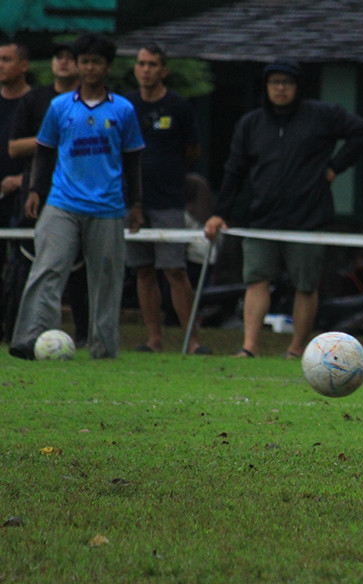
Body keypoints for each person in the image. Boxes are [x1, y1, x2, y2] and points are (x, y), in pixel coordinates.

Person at [204, 59, 363, 359]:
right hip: (262, 216)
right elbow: (234, 169)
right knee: (256, 279)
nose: (280, 88)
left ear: (298, 87)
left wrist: (335, 167)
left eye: (287, 82)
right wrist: (221, 211)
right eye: (274, 82)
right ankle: (249, 346)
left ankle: (296, 350)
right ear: (266, 87)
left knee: (305, 284)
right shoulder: (251, 123)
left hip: (308, 216)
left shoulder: (322, 115)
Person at [8, 33, 145, 360]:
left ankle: (103, 348)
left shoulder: (124, 109)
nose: (89, 67)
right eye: (85, 61)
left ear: (107, 66)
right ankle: (31, 339)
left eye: (96, 62)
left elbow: (133, 159)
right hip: (62, 201)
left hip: (108, 206)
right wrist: (35, 190)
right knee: (48, 268)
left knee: (106, 280)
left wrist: (136, 203)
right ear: (79, 66)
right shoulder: (60, 106)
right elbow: (44, 151)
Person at [124, 44, 208, 355]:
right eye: (141, 63)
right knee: (143, 270)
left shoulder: (179, 106)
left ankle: (192, 341)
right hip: (130, 200)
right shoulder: (124, 105)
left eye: (152, 64)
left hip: (169, 200)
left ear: (164, 70)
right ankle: (154, 339)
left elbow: (193, 151)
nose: (146, 69)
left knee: (175, 270)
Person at [5, 43, 87, 345]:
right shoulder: (36, 100)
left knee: (81, 270)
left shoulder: (94, 102)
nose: (63, 63)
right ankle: (23, 333)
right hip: (42, 193)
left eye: (70, 58)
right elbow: (14, 148)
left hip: (83, 193)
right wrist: (52, 138)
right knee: (32, 263)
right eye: (58, 57)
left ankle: (87, 335)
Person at [0, 41, 32, 340]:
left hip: (25, 197)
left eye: (7, 59)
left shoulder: (37, 103)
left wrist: (24, 180)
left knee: (21, 264)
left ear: (24, 65)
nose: (1, 64)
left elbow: (51, 150)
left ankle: (16, 330)